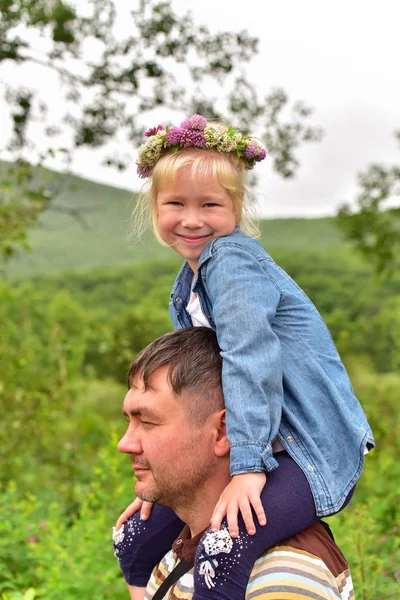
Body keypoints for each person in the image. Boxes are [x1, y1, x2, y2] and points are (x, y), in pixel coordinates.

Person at [114, 114, 374, 600]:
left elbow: (249, 362)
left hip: (306, 447)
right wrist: (167, 477)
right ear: (155, 209)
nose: (192, 219)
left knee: (223, 550)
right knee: (134, 538)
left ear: (236, 209)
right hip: (258, 437)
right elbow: (202, 385)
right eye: (176, 204)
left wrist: (248, 467)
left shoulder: (231, 264)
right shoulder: (187, 285)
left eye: (210, 204)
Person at [114, 327, 355, 600]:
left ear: (225, 432)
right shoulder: (181, 551)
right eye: (129, 421)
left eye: (147, 422)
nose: (125, 443)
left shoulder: (281, 579)